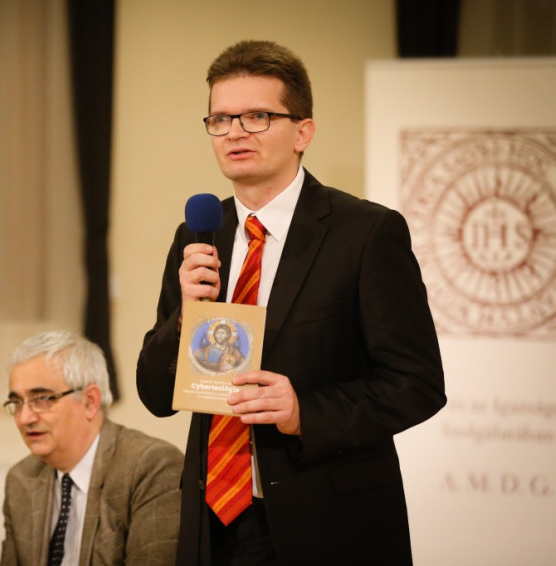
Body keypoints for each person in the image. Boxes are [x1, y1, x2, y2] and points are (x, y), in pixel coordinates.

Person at [136, 39, 446, 565]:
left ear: (303, 132)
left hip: (327, 523)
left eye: (257, 117)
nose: (235, 132)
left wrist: (305, 412)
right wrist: (185, 317)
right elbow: (157, 395)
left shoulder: (366, 233)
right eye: (220, 119)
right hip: (213, 526)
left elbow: (417, 384)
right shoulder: (199, 235)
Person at [0, 330, 183, 565]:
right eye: (16, 402)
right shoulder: (21, 479)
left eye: (42, 399)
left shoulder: (152, 467)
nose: (25, 417)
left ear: (90, 401)